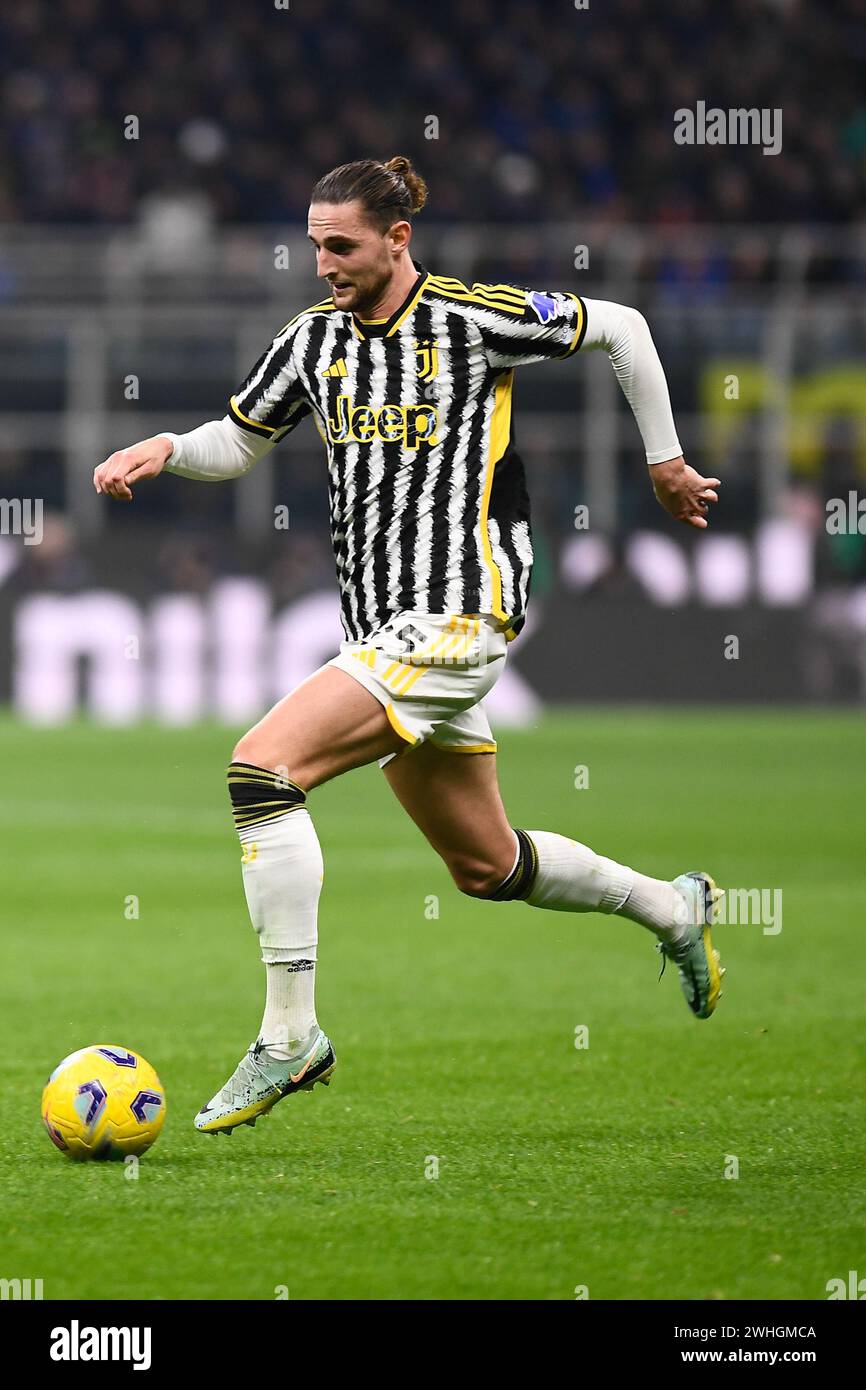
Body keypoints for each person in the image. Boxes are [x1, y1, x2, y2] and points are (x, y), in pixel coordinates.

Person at [94, 155, 725, 1136]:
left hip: (461, 614)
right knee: (487, 866)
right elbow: (240, 438)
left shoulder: (475, 318)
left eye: (339, 245)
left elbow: (624, 329)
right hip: (383, 629)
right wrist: (169, 449)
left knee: (262, 770)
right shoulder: (312, 341)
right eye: (313, 244)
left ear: (398, 240)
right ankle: (671, 909)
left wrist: (664, 461)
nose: (322, 264)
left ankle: (289, 1034)